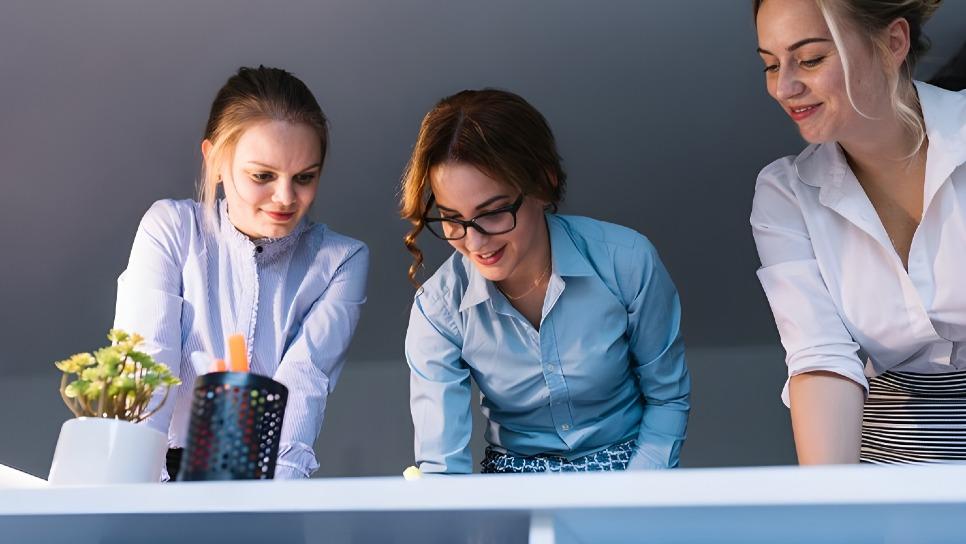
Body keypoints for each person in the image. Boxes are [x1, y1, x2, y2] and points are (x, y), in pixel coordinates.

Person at [399, 89, 690, 474]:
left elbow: (667, 398)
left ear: (542, 183)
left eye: (494, 213)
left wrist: (634, 500)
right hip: (511, 476)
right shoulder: (437, 309)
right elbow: (443, 466)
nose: (475, 241)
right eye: (452, 218)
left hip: (631, 465)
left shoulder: (628, 261)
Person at [114, 66, 369, 480]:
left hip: (269, 481)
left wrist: (269, 512)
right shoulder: (171, 229)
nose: (285, 198)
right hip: (160, 477)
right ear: (215, 160)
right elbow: (146, 370)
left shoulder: (340, 260)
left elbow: (303, 387)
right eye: (262, 176)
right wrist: (139, 506)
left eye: (305, 177)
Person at [752, 0, 966, 464]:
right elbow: (821, 359)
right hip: (890, 450)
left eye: (810, 59)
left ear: (892, 42)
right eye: (770, 64)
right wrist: (834, 512)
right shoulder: (786, 194)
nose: (784, 87)